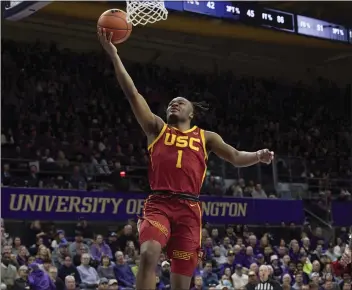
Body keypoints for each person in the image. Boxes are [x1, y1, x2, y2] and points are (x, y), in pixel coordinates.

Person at [98, 28, 274, 290]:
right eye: (171, 103)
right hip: (159, 203)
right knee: (148, 254)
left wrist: (257, 156)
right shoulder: (156, 128)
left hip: (190, 210)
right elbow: (133, 93)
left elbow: (236, 157)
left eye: (180, 102)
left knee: (182, 284)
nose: (174, 104)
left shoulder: (206, 137)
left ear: (192, 113)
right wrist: (114, 55)